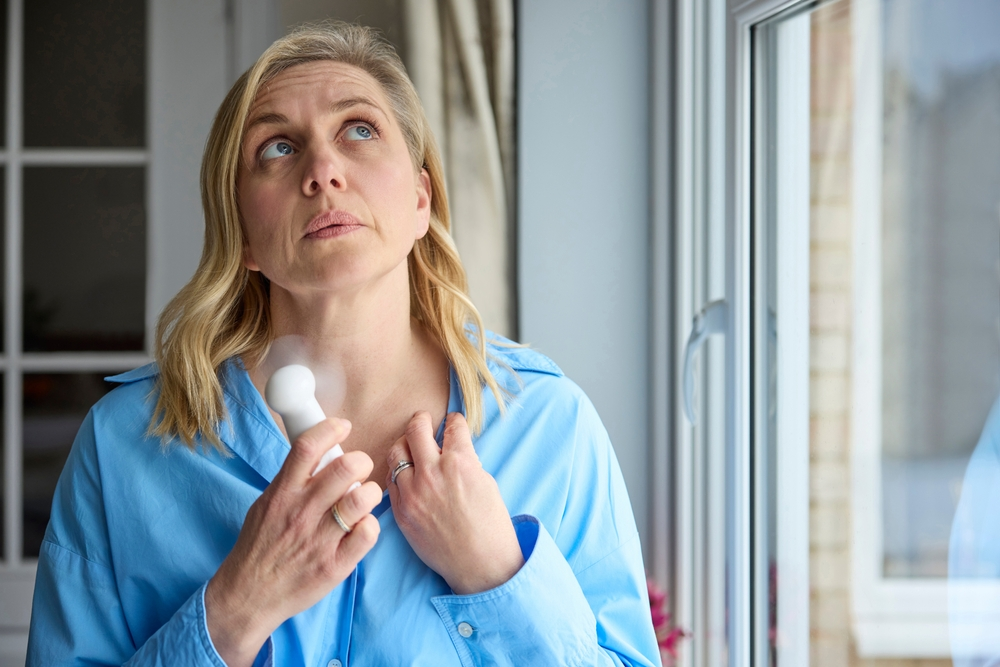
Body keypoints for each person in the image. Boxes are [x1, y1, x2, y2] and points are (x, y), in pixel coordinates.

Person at [26, 22, 661, 667]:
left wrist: (498, 574)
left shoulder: (553, 427)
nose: (323, 171)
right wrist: (234, 612)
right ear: (240, 231)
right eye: (276, 148)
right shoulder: (123, 445)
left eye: (359, 130)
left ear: (420, 199)